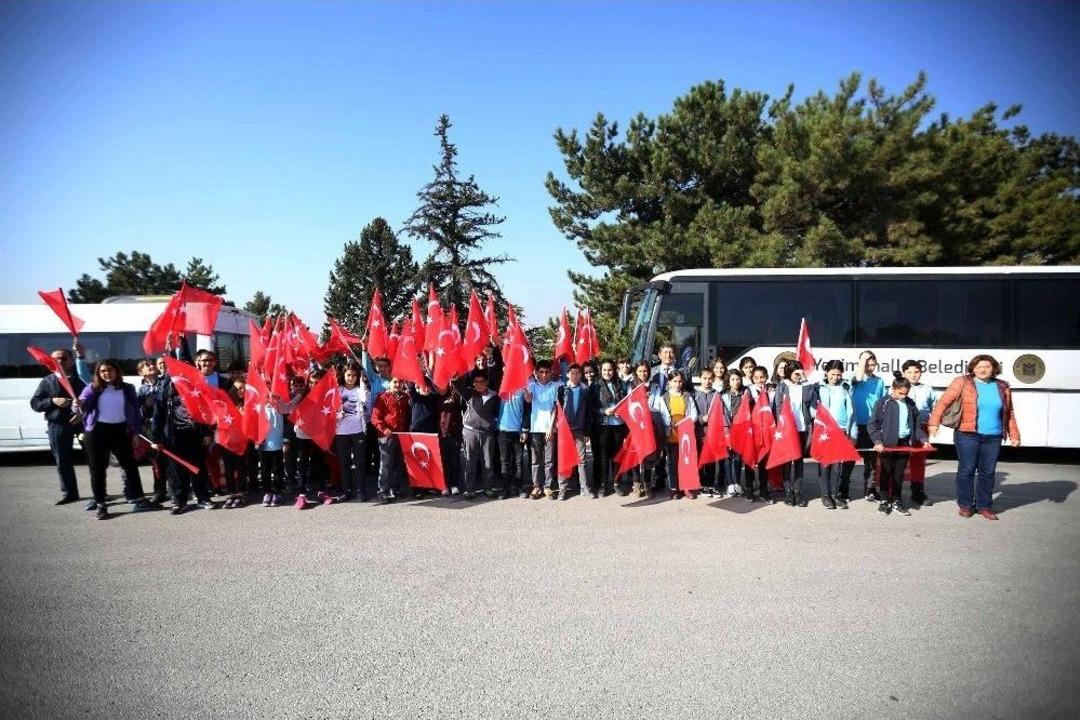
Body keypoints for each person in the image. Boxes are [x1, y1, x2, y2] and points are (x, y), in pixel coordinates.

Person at [928, 354, 1020, 521]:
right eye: (978, 367)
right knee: (967, 470)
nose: (983, 370)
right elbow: (943, 402)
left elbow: (1009, 413)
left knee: (988, 473)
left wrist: (1014, 434)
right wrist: (933, 423)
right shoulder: (962, 382)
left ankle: (984, 506)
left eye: (987, 366)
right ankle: (965, 505)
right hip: (967, 434)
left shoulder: (1002, 386)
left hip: (993, 436)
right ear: (972, 369)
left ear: (994, 369)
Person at [77, 359, 151, 520]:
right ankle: (101, 504)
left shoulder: (126, 388)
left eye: (110, 370)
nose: (107, 373)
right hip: (97, 431)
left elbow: (136, 412)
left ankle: (139, 498)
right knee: (97, 469)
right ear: (98, 373)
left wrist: (137, 432)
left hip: (120, 430)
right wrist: (77, 404)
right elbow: (81, 404)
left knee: (130, 465)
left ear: (117, 371)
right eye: (103, 371)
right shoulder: (92, 388)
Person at [29, 341, 91, 506]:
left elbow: (95, 399)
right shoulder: (48, 381)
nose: (59, 362)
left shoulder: (82, 377)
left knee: (93, 458)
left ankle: (100, 492)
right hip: (58, 425)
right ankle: (70, 493)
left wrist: (82, 414)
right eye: (55, 359)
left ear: (71, 360)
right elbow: (35, 403)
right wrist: (52, 401)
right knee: (62, 460)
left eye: (63, 358)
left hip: (82, 424)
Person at [152, 359, 217, 515]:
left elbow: (206, 413)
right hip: (173, 438)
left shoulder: (196, 391)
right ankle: (180, 501)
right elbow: (158, 417)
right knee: (176, 471)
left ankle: (203, 498)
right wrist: (156, 439)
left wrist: (207, 433)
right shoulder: (164, 393)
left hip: (194, 436)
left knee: (198, 468)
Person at [869, 376, 928, 516]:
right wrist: (877, 441)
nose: (903, 396)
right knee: (885, 472)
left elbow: (917, 425)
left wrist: (923, 439)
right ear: (893, 389)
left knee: (898, 474)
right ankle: (884, 500)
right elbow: (873, 425)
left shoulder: (910, 404)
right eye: (900, 393)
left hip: (904, 444)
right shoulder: (883, 403)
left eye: (906, 393)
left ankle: (896, 500)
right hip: (886, 444)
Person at [811, 360, 857, 509]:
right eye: (832, 374)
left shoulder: (846, 388)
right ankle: (825, 496)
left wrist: (852, 432)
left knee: (837, 465)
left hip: (841, 429)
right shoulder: (818, 388)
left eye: (838, 374)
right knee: (825, 465)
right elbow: (812, 408)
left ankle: (835, 495)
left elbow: (851, 412)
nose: (835, 377)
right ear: (826, 372)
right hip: (824, 430)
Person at [454, 371, 501, 500]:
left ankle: (488, 488)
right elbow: (456, 384)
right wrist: (455, 373)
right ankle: (469, 489)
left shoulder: (494, 395)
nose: (479, 384)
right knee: (470, 462)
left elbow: (497, 412)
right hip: (470, 432)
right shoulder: (469, 393)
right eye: (476, 382)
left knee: (488, 462)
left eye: (482, 381)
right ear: (473, 383)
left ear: (486, 382)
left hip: (487, 433)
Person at [772, 361, 813, 507]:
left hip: (802, 428)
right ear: (789, 373)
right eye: (796, 374)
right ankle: (788, 491)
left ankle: (797, 490)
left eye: (801, 373)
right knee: (787, 462)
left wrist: (805, 380)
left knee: (799, 461)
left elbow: (809, 399)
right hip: (787, 430)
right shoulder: (782, 387)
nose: (798, 376)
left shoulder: (805, 386)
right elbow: (777, 408)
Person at [656, 370, 699, 499]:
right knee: (672, 463)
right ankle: (674, 488)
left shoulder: (687, 396)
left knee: (685, 461)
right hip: (671, 434)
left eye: (680, 381)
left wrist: (686, 422)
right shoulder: (663, 398)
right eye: (675, 381)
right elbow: (660, 415)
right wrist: (670, 423)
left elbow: (694, 414)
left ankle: (686, 487)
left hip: (685, 436)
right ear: (669, 382)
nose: (678, 384)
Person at [332, 362, 370, 504]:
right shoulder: (338, 390)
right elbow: (330, 410)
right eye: (348, 375)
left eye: (354, 375)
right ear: (344, 375)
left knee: (360, 462)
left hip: (358, 431)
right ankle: (347, 490)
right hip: (341, 432)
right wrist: (337, 415)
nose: (351, 378)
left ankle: (360, 490)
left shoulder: (360, 390)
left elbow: (365, 401)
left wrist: (363, 384)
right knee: (344, 462)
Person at [901, 360, 938, 507]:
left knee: (918, 462)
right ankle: (892, 492)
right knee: (899, 461)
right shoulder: (897, 387)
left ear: (921, 372)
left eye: (916, 372)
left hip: (921, 428)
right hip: (902, 429)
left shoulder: (928, 389)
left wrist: (934, 424)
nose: (913, 375)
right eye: (909, 372)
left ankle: (917, 492)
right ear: (904, 373)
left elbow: (934, 408)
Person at [851, 350, 886, 501]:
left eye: (873, 364)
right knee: (849, 459)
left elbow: (883, 402)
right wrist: (863, 359)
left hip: (872, 425)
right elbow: (858, 377)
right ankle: (843, 489)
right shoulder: (854, 378)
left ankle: (870, 489)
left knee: (871, 461)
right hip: (855, 424)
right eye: (867, 364)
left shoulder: (879, 381)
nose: (869, 367)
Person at [371, 377, 411, 504]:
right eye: (395, 382)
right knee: (386, 465)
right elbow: (375, 417)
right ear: (390, 383)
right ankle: (382, 491)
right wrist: (383, 430)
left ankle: (397, 488)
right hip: (387, 436)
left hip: (402, 436)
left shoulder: (405, 398)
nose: (397, 384)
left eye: (400, 382)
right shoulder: (382, 397)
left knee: (400, 464)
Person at [556, 364, 593, 500]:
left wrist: (587, 431)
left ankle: (584, 488)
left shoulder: (585, 390)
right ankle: (563, 488)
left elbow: (589, 413)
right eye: (572, 373)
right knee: (564, 459)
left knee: (582, 460)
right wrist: (556, 425)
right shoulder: (562, 389)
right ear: (567, 374)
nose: (575, 376)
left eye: (578, 373)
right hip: (565, 431)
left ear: (581, 375)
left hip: (579, 429)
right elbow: (557, 408)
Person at [525, 360, 561, 499]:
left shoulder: (555, 386)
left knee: (549, 459)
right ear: (536, 373)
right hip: (535, 427)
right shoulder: (532, 385)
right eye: (541, 372)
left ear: (551, 372)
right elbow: (528, 400)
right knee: (535, 459)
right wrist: (524, 388)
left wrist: (550, 427)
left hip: (549, 428)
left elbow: (554, 409)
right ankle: (536, 486)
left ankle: (548, 486)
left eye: (547, 372)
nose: (544, 375)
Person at [591, 360, 626, 496]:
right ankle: (604, 485)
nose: (607, 373)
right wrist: (604, 411)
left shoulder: (621, 384)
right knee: (604, 456)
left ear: (614, 370)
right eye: (605, 370)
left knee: (617, 456)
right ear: (601, 371)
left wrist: (621, 410)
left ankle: (617, 483)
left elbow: (626, 402)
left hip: (618, 425)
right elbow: (592, 408)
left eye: (610, 370)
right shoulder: (595, 386)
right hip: (603, 425)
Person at [719, 370, 750, 500]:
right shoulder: (723, 395)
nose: (736, 382)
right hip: (727, 429)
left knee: (737, 458)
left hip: (741, 430)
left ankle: (737, 482)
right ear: (728, 381)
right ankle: (730, 483)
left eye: (738, 379)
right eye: (732, 379)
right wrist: (727, 429)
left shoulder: (745, 394)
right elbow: (722, 413)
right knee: (727, 458)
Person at [496, 385, 530, 498]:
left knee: (518, 462)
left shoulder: (522, 389)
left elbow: (527, 409)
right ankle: (505, 489)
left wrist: (524, 430)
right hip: (503, 430)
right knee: (504, 461)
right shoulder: (501, 386)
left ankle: (519, 488)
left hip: (517, 430)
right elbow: (494, 408)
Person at [694, 368, 719, 495]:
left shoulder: (716, 394)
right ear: (700, 379)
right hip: (699, 433)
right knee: (699, 459)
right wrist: (700, 419)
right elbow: (691, 412)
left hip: (712, 433)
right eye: (704, 378)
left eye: (710, 378)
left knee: (711, 461)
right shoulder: (695, 394)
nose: (707, 381)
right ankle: (701, 483)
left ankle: (710, 484)